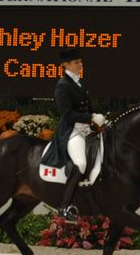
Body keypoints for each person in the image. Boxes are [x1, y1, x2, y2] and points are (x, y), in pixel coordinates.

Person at [44, 48, 106, 220]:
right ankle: (64, 206)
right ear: (65, 65)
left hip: (86, 128)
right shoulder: (62, 86)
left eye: (80, 61)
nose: (80, 64)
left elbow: (88, 107)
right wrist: (91, 117)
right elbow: (67, 115)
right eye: (76, 62)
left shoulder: (79, 82)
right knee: (80, 163)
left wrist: (98, 120)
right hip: (72, 131)